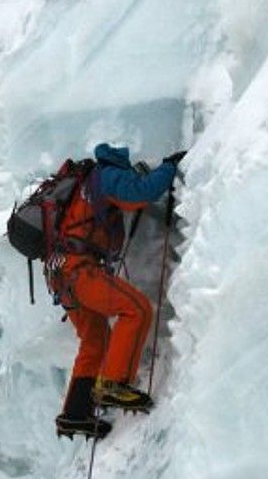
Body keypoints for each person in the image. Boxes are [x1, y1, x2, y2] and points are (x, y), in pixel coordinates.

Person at [49, 142, 186, 438]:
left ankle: (75, 414)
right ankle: (113, 384)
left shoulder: (85, 183)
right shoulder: (107, 175)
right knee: (135, 309)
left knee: (94, 339)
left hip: (61, 274)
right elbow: (141, 192)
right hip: (79, 269)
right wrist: (169, 167)